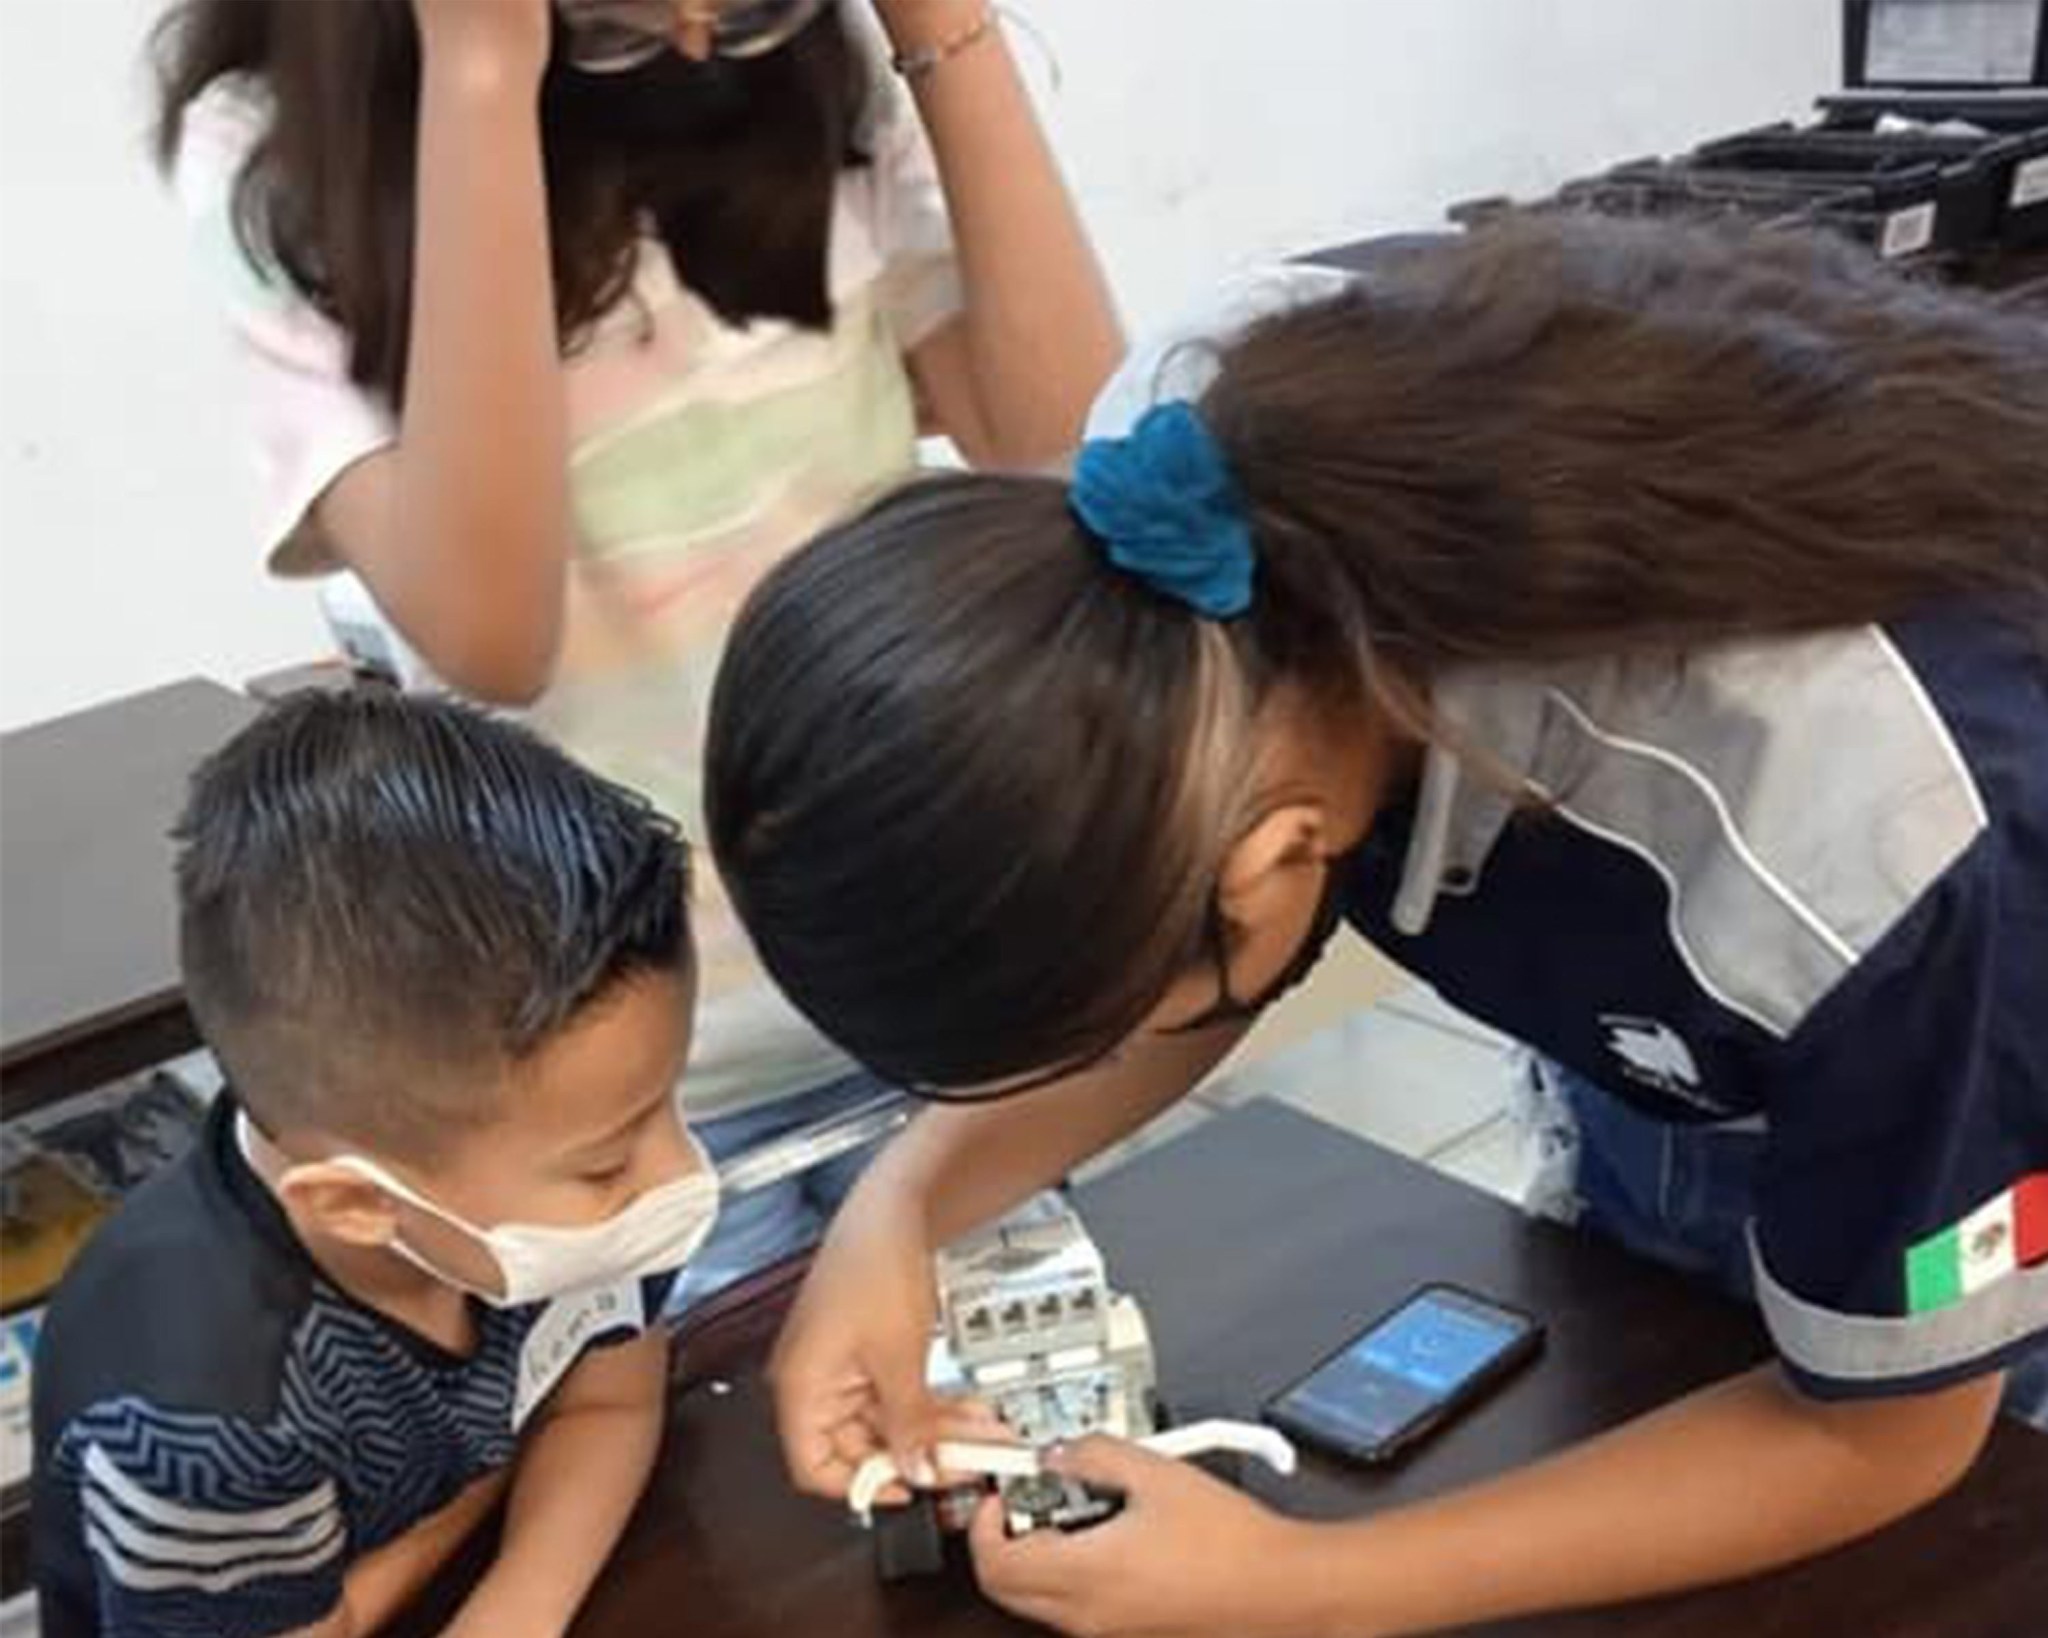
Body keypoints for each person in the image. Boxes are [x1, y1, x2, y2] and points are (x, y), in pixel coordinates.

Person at [703, 218, 2048, 1636]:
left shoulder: (1857, 858)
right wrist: (902, 1209)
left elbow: (1886, 1436)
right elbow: (1194, 953)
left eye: (1106, 1013)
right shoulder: (1169, 518)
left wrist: (1306, 1583)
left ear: (1273, 852)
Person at [150, 0, 1120, 1303]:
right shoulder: (287, 147)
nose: (702, 32)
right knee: (720, 1487)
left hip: (936, 970)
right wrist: (485, 74)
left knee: (1019, 1445)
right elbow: (491, 631)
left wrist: (947, 31)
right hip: (633, 1094)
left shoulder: (790, 61)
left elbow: (1070, 449)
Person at [33, 692, 712, 1638]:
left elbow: (613, 1393)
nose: (675, 1174)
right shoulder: (201, 1416)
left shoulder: (547, 1181)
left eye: (667, 1103)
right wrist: (498, 1480)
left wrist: (514, 1612)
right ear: (358, 1205)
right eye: (607, 1163)